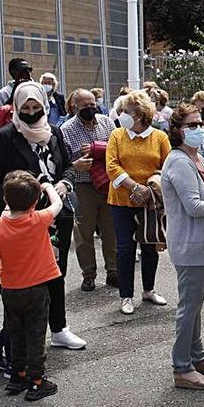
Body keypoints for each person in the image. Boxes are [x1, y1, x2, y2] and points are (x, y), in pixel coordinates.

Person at [0, 81, 86, 375]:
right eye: (26, 108)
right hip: (20, 220)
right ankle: (7, 346)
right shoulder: (5, 137)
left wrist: (64, 183)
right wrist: (16, 209)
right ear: (17, 108)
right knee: (22, 284)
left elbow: (68, 166)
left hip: (54, 215)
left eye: (37, 108)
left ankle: (59, 328)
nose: (32, 113)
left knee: (55, 273)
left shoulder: (54, 133)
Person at [0, 171, 62, 402]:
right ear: (34, 202)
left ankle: (17, 375)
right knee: (35, 333)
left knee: (16, 333)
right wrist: (47, 186)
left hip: (9, 288)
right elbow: (58, 203)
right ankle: (37, 381)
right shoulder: (38, 219)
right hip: (36, 288)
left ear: (5, 200)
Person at [161, 103, 204, 390]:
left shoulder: (195, 157)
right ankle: (182, 367)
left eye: (200, 124)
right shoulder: (179, 161)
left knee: (195, 303)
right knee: (189, 306)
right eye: (191, 125)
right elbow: (193, 206)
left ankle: (197, 355)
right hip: (190, 244)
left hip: (200, 241)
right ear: (177, 131)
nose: (199, 129)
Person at [106, 89, 171, 315]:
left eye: (127, 111)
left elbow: (167, 167)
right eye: (122, 110)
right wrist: (134, 187)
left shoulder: (160, 137)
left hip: (150, 202)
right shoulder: (117, 135)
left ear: (141, 114)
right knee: (125, 248)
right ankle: (126, 296)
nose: (122, 114)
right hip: (121, 200)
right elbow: (112, 166)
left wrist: (149, 188)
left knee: (150, 247)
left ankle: (149, 290)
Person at [60, 89, 118, 291]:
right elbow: (64, 162)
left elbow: (117, 148)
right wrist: (76, 164)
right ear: (74, 106)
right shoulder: (66, 129)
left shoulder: (107, 123)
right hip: (83, 185)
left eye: (93, 104)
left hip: (108, 184)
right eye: (85, 106)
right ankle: (89, 274)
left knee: (111, 229)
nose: (91, 109)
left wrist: (98, 149)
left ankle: (113, 271)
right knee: (84, 233)